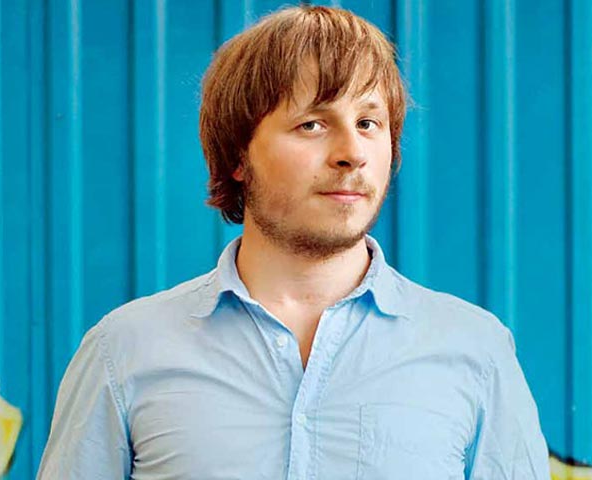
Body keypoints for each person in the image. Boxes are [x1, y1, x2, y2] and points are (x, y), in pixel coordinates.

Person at [37, 5, 551, 479]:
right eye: (312, 124)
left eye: (368, 123)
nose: (352, 152)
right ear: (238, 158)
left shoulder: (473, 350)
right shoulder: (124, 351)